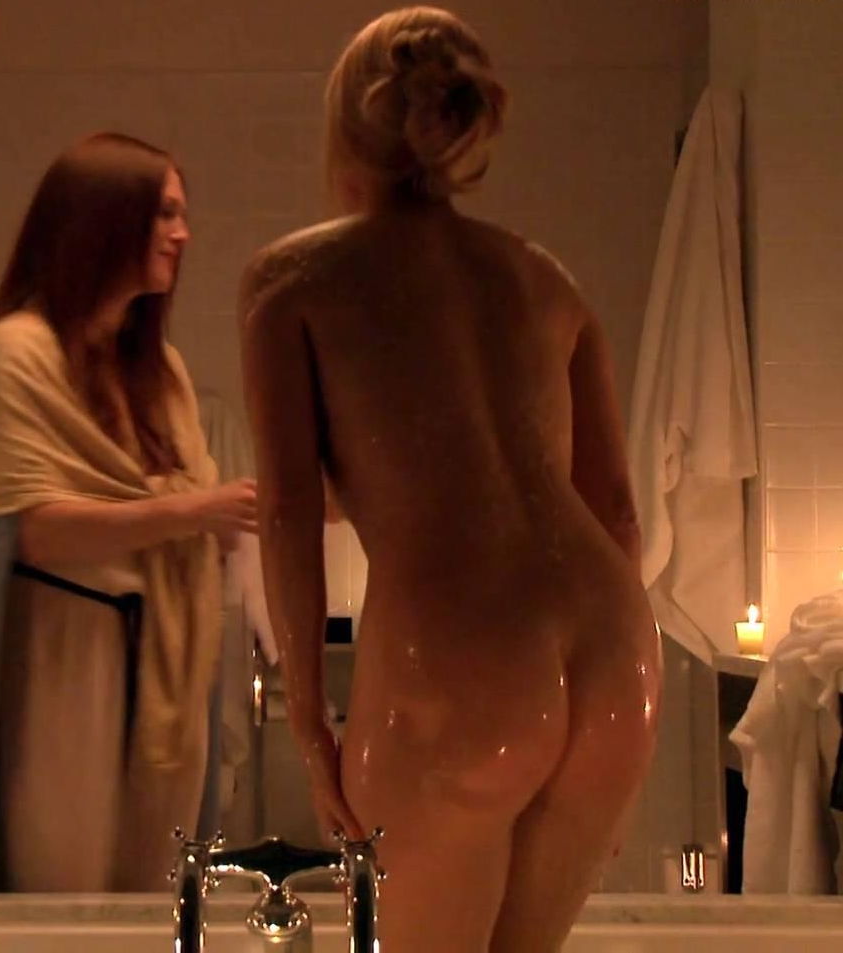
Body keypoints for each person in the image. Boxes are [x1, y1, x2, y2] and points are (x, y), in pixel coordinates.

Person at [239, 8, 660, 952]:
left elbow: (287, 512)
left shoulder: (292, 281)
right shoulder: (545, 279)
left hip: (458, 661)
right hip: (614, 650)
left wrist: (309, 724)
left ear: (345, 126)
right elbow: (618, 513)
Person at [0, 132, 256, 893]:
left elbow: (179, 505)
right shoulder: (17, 354)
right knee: (63, 888)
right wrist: (192, 511)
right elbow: (30, 527)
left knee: (152, 895)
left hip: (162, 663)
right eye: (164, 213)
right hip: (62, 654)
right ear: (104, 219)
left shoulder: (158, 368)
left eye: (181, 213)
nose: (183, 233)